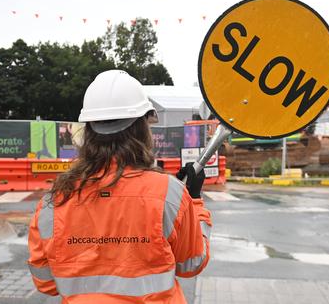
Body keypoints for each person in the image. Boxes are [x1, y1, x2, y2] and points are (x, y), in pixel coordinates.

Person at [28, 70, 212, 303]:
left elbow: (46, 282)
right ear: (142, 127)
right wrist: (194, 200)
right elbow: (191, 263)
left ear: (89, 129)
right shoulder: (169, 193)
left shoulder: (54, 202)